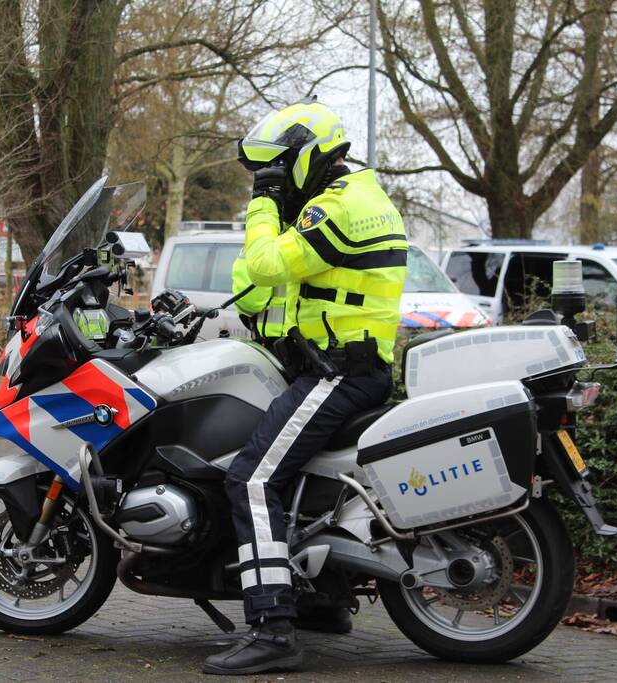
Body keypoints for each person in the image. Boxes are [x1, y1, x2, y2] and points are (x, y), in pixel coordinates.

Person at [203, 99, 408, 676]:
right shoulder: (349, 197)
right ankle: (324, 601)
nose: (268, 181)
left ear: (305, 157)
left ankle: (272, 628)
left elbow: (267, 263)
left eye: (276, 168)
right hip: (339, 365)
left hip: (341, 372)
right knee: (306, 485)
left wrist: (263, 202)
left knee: (250, 477)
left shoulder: (339, 207)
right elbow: (275, 288)